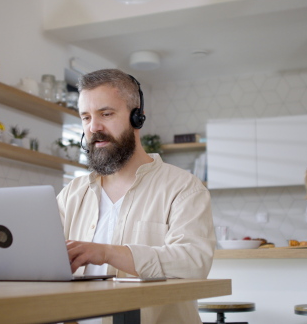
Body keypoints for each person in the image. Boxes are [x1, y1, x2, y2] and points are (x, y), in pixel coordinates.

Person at [56, 69, 215, 323]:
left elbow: (193, 262)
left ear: (137, 118)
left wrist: (108, 253)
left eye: (106, 114)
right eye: (86, 117)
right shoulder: (71, 195)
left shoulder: (184, 188)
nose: (93, 127)